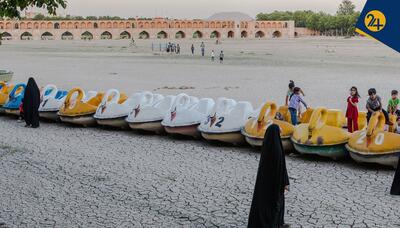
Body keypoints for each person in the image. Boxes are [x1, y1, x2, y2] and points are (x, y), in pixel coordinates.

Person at [248, 124, 290, 228]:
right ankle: (272, 223)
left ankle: (278, 222)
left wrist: (285, 181)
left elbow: (281, 166)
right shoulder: (275, 149)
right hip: (274, 182)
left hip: (269, 182)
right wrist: (284, 182)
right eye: (279, 132)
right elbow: (279, 167)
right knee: (273, 203)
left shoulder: (269, 146)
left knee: (272, 202)